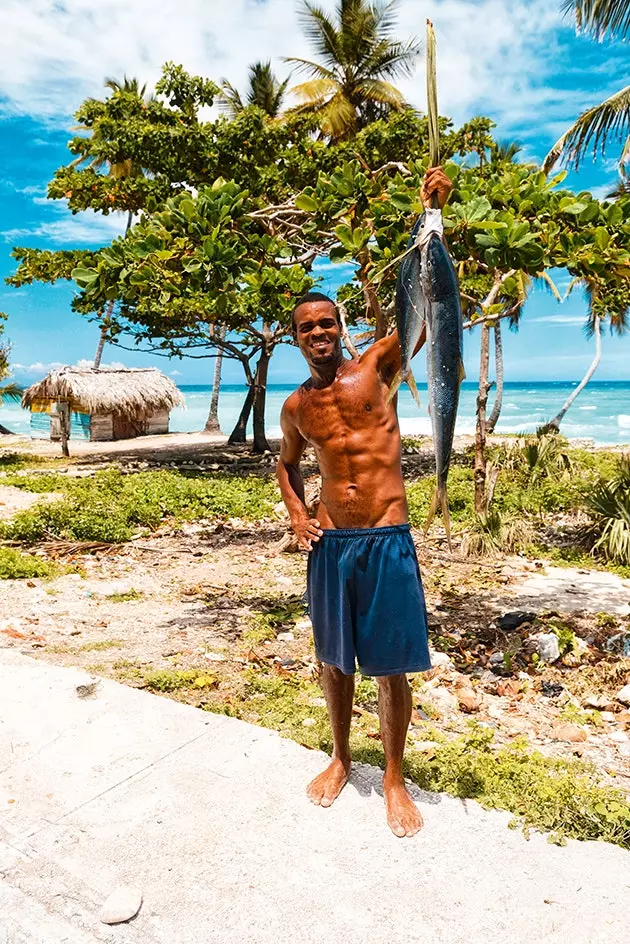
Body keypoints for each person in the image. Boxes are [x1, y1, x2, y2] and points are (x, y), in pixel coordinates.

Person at [276, 167, 453, 838]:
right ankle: (342, 757)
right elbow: (286, 466)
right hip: (331, 544)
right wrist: (297, 514)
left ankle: (396, 777)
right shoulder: (296, 405)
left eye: (326, 322)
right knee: (333, 659)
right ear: (295, 337)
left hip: (385, 537)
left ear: (340, 325)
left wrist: (429, 219)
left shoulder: (377, 367)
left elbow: (425, 308)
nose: (318, 332)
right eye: (306, 327)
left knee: (388, 665)